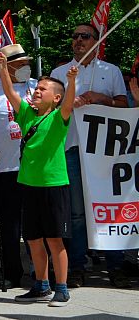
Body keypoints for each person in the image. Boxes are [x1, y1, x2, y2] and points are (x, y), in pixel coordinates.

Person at [49, 23, 129, 288]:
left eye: (85, 36)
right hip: (71, 149)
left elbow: (123, 105)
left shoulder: (111, 71)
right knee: (76, 213)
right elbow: (50, 108)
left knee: (108, 208)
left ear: (96, 41)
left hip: (104, 152)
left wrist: (99, 98)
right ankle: (78, 266)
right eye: (75, 36)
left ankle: (115, 266)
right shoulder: (59, 73)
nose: (79, 41)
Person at [0, 51, 78, 307]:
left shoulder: (58, 116)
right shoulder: (27, 115)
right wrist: (2, 67)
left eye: (43, 89)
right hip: (29, 185)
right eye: (37, 88)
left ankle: (61, 287)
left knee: (55, 239)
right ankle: (41, 284)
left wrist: (72, 81)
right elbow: (10, 92)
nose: (37, 91)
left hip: (53, 186)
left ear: (55, 97)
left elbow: (68, 103)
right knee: (33, 239)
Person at [0, 47, 38, 289]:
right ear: (8, 66)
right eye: (20, 63)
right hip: (4, 167)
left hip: (35, 167)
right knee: (9, 225)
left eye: (26, 62)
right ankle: (12, 272)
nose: (25, 67)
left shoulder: (36, 86)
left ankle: (39, 271)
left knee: (36, 222)